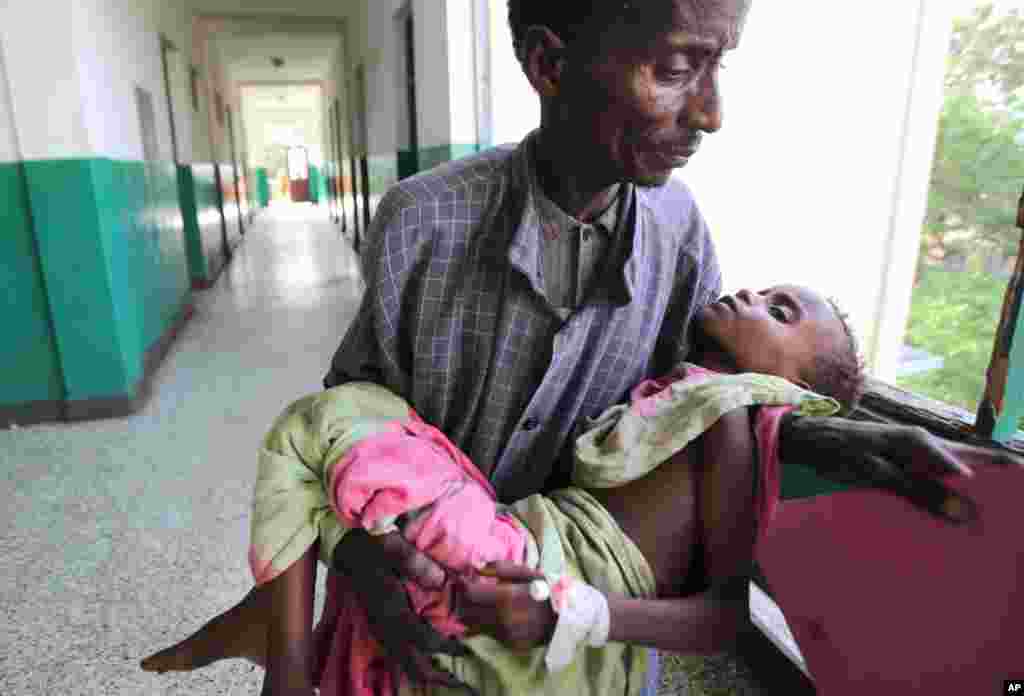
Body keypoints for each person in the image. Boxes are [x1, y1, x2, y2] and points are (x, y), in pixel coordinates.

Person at [144, 1, 1019, 693]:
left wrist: (861, 439)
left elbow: (699, 411)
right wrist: (356, 552)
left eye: (720, 67)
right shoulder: (425, 220)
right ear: (550, 64)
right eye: (679, 69)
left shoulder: (680, 235)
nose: (711, 112)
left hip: (561, 632)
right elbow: (363, 421)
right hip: (410, 579)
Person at [142, 283, 864, 694]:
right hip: (537, 606)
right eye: (769, 290)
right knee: (383, 645)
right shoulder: (681, 393)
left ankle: (285, 667)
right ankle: (277, 630)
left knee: (323, 420)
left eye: (781, 313)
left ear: (790, 390)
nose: (752, 294)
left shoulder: (731, 415)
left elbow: (723, 618)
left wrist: (566, 610)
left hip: (543, 590)